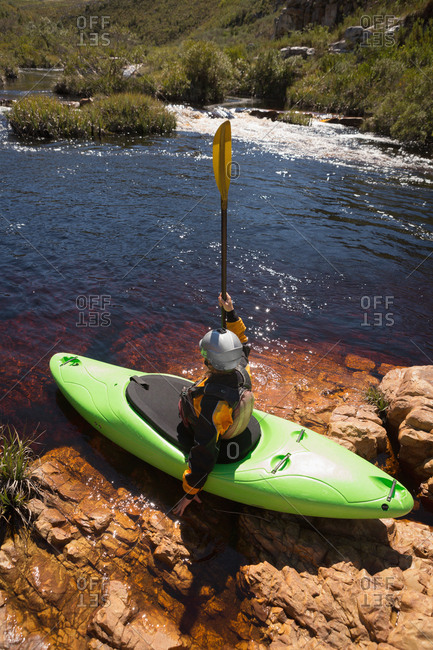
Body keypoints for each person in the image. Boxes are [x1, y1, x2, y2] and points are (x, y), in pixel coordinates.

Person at [173, 292, 254, 516]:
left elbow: (204, 452)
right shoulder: (242, 364)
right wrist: (230, 312)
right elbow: (243, 341)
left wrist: (190, 491)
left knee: (187, 400)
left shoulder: (210, 406)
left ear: (208, 361)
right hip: (232, 413)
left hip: (220, 425)